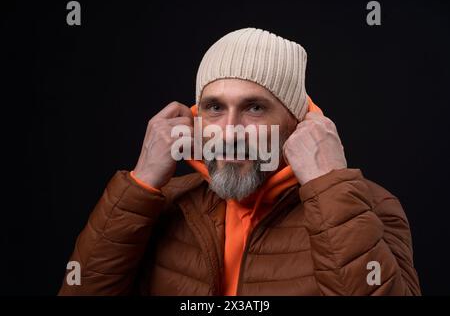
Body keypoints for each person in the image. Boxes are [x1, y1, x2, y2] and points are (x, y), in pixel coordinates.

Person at [59, 28, 420, 296]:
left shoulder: (366, 204)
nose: (230, 131)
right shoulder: (163, 201)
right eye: (215, 108)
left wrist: (329, 188)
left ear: (298, 122)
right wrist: (140, 184)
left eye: (255, 107)